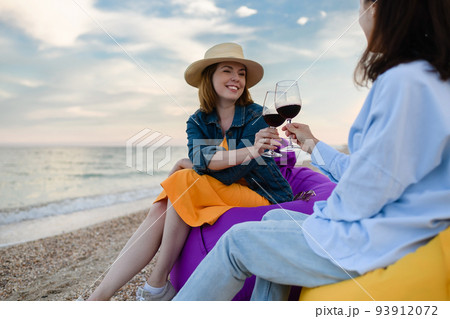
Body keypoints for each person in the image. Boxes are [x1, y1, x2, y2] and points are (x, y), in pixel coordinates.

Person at [173, 0, 450, 301]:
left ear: (379, 9)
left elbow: (368, 191)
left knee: (235, 242)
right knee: (270, 221)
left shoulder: (403, 81)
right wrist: (313, 145)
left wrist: (321, 215)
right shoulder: (430, 77)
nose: (359, 17)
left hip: (378, 238)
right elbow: (372, 170)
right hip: (398, 224)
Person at [86, 43, 293, 301]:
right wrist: (197, 162)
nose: (236, 78)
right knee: (161, 207)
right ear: (210, 78)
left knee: (184, 179)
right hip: (222, 192)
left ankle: (156, 283)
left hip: (264, 198)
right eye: (227, 71)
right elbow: (204, 162)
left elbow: (224, 173)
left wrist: (194, 163)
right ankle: (100, 296)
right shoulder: (197, 120)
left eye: (241, 73)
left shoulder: (256, 116)